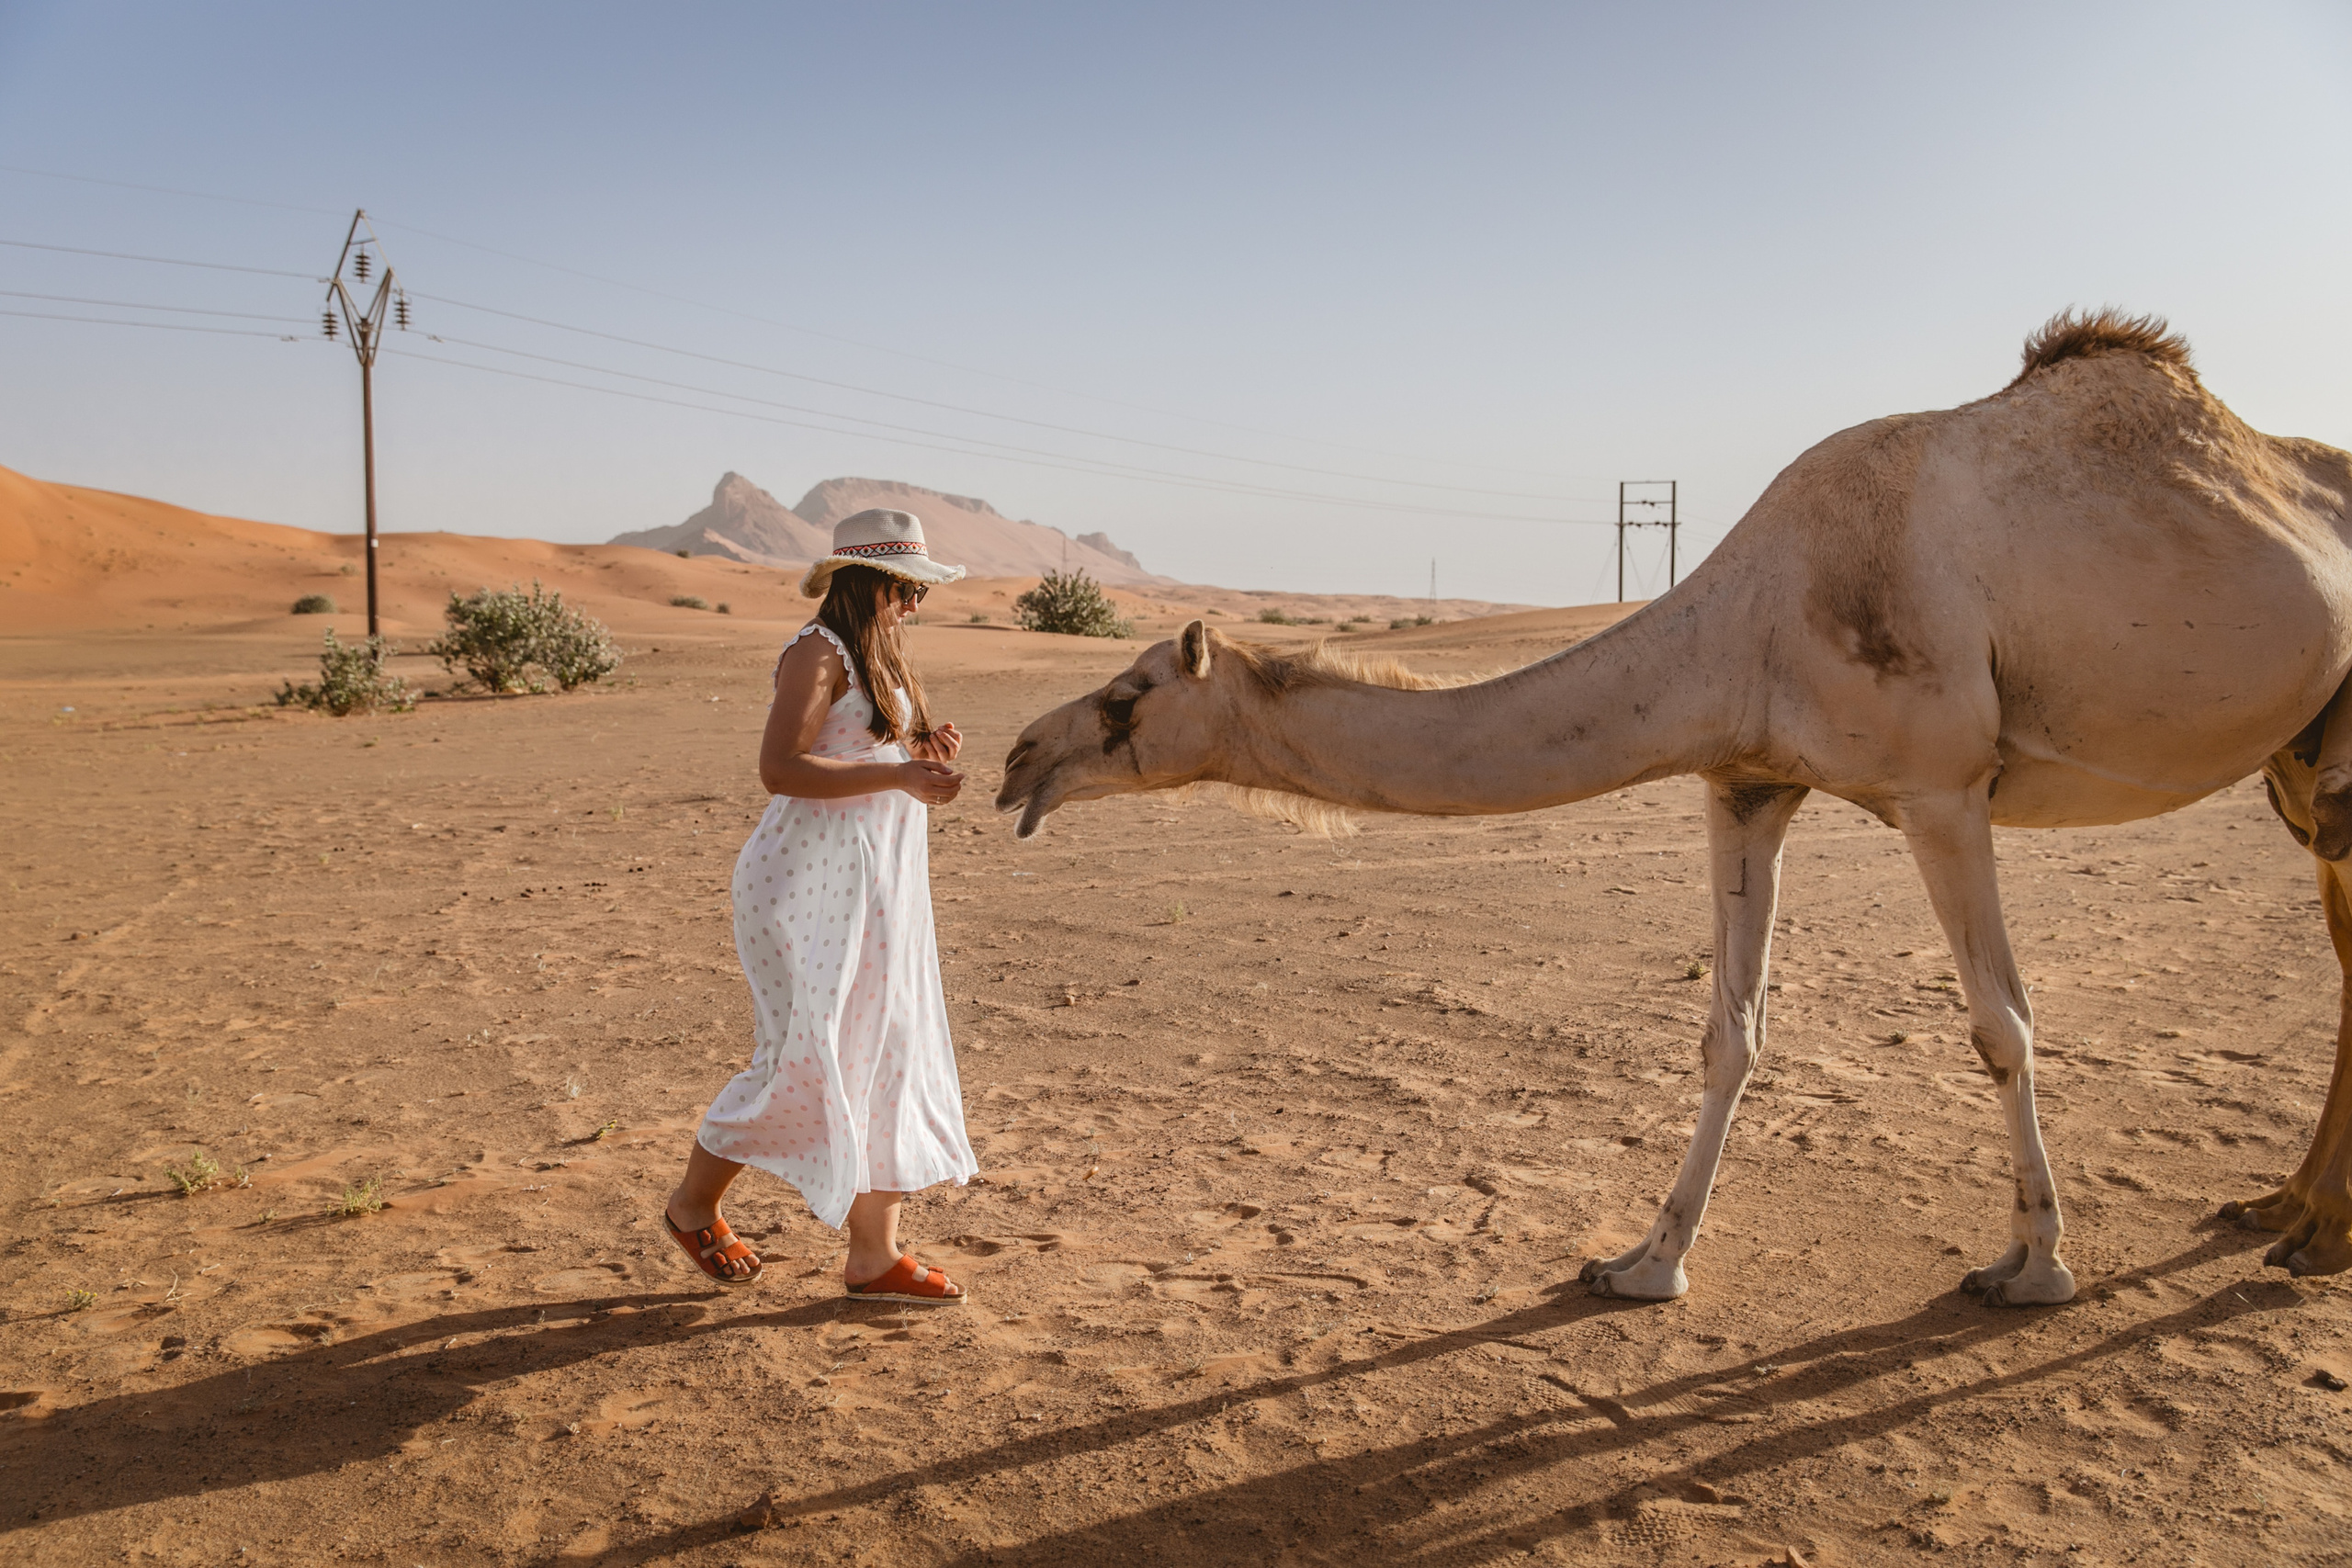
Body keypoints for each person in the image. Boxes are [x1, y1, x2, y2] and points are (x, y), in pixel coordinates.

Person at [663, 508, 978, 1303]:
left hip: (877, 884)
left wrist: (920, 757)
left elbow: (865, 757)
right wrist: (898, 775)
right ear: (871, 581)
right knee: (803, 1055)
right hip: (805, 887)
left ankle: (874, 1255)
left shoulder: (882, 654)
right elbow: (781, 768)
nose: (916, 605)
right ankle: (693, 1204)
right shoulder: (817, 651)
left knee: (887, 1047)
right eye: (908, 589)